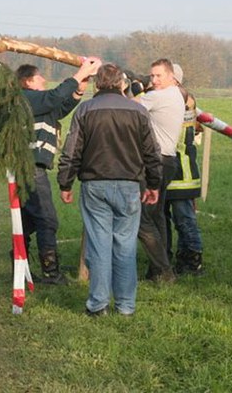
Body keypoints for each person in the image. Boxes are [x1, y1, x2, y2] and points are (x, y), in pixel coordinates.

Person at [58, 62, 162, 316]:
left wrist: (65, 182)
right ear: (123, 84)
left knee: (99, 244)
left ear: (97, 84)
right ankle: (126, 306)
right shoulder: (138, 111)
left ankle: (98, 304)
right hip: (129, 185)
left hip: (94, 185)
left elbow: (72, 151)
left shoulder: (85, 110)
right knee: (125, 245)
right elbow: (152, 151)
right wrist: (154, 184)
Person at [17, 57, 99, 285]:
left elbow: (58, 108)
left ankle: (19, 267)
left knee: (27, 221)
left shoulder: (36, 102)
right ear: (28, 82)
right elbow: (52, 97)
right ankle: (50, 273)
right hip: (30, 168)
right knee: (47, 220)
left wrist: (79, 89)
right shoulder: (25, 98)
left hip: (31, 168)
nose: (44, 79)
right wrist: (80, 72)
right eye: (39, 77)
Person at [135, 58, 185, 282]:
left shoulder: (158, 96)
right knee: (157, 216)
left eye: (159, 76)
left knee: (142, 217)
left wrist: (131, 87)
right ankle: (158, 268)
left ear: (171, 76)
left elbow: (129, 107)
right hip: (168, 160)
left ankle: (163, 270)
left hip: (154, 161)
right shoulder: (176, 93)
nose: (154, 80)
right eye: (151, 76)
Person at [165, 64, 204, 275]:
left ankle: (192, 259)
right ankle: (177, 259)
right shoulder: (186, 100)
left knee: (185, 221)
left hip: (181, 173)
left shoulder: (180, 99)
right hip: (174, 173)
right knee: (170, 221)